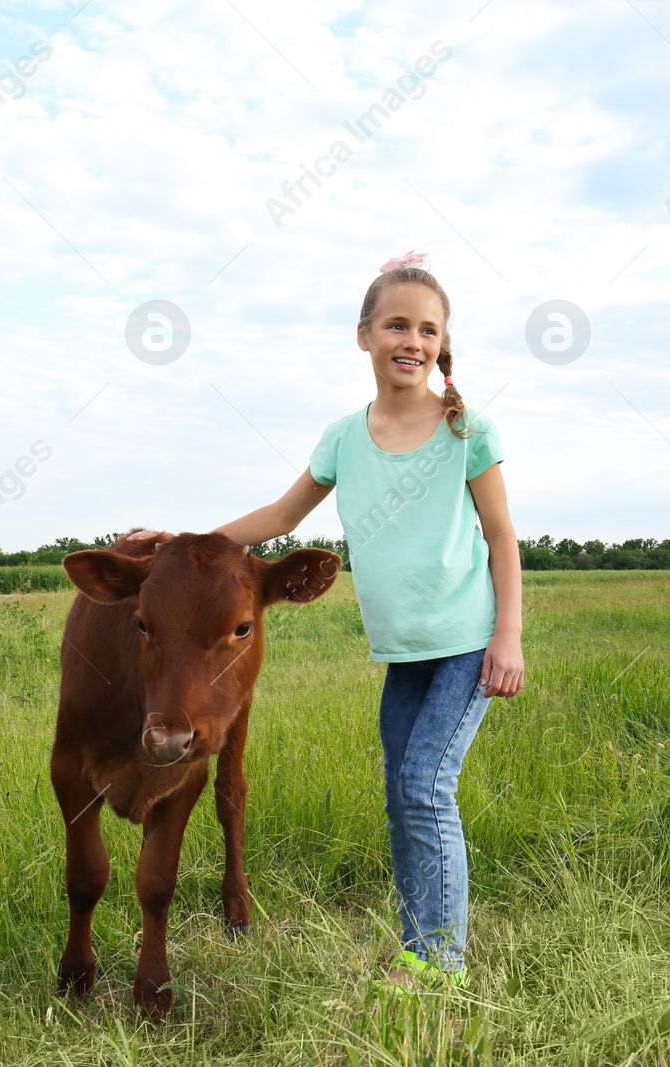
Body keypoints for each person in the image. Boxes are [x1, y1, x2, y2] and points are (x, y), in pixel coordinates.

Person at [210, 250, 525, 988]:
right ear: (365, 336)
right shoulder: (345, 438)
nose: (410, 340)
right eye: (395, 325)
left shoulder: (467, 429)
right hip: (404, 650)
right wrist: (194, 543)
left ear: (441, 345)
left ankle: (440, 967)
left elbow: (503, 535)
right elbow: (283, 516)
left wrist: (508, 634)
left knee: (424, 785)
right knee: (400, 794)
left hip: (467, 642)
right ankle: (418, 946)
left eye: (426, 329)